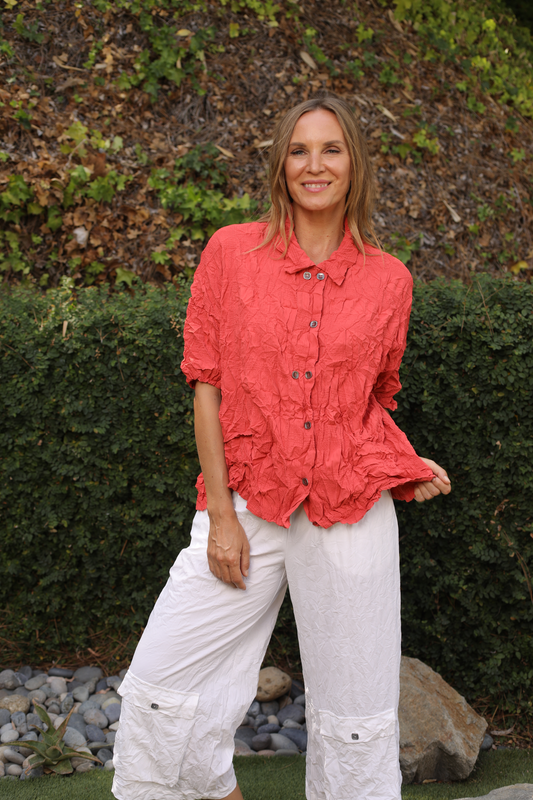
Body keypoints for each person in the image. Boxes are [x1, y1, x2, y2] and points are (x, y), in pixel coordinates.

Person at [112, 94, 451, 800]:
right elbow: (206, 384)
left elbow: (365, 402)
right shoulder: (231, 253)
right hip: (248, 500)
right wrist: (222, 516)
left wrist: (401, 464)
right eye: (299, 150)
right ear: (280, 164)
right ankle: (209, 790)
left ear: (354, 164)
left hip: (350, 509)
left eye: (330, 149)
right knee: (162, 681)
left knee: (355, 711)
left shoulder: (391, 280)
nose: (313, 164)